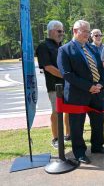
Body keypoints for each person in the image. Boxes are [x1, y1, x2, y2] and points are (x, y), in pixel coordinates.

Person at [57, 20, 104, 164]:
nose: (88, 34)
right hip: (77, 95)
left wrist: (99, 85)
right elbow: (67, 74)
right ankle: (79, 152)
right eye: (85, 31)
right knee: (77, 125)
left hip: (96, 92)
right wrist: (88, 86)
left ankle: (98, 146)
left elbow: (99, 67)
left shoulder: (91, 48)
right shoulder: (65, 50)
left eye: (89, 31)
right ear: (75, 31)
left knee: (98, 121)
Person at [36, 20, 70, 149]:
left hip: (67, 85)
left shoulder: (62, 46)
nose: (62, 34)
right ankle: (55, 138)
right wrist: (66, 76)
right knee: (56, 111)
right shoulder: (44, 46)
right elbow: (48, 67)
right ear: (51, 31)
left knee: (68, 110)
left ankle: (68, 135)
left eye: (62, 31)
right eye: (59, 31)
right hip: (54, 85)